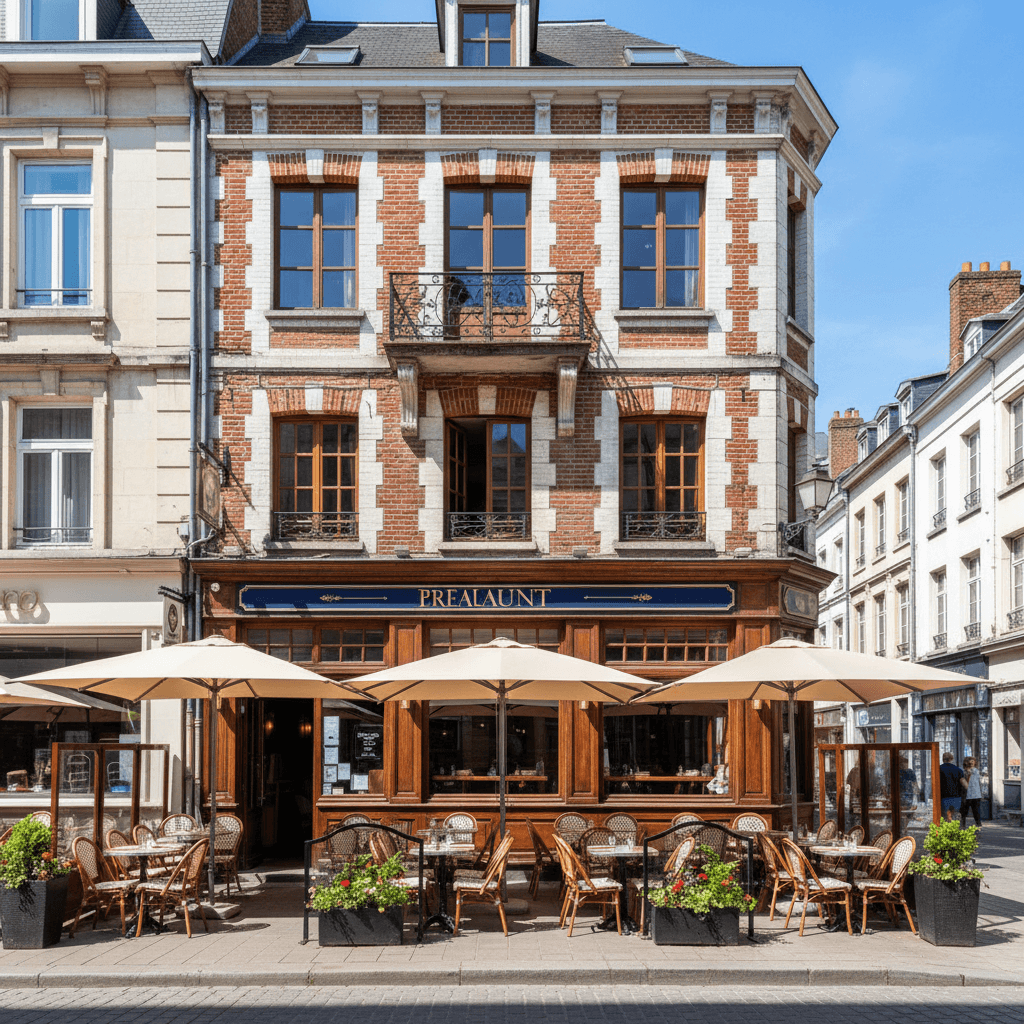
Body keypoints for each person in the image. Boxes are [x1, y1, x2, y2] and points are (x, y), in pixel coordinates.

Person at [938, 751, 965, 821]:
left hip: (943, 797)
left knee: (945, 817)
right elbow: (963, 783)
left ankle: (947, 829)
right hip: (956, 797)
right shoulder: (958, 770)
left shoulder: (938, 769)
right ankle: (954, 829)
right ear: (951, 759)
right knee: (955, 816)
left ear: (942, 759)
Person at [960, 757, 983, 828]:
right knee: (964, 811)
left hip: (975, 794)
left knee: (976, 811)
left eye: (973, 761)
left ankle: (978, 824)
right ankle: (963, 824)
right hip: (967, 794)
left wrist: (980, 793)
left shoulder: (976, 771)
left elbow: (978, 782)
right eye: (970, 762)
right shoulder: (964, 771)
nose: (972, 763)